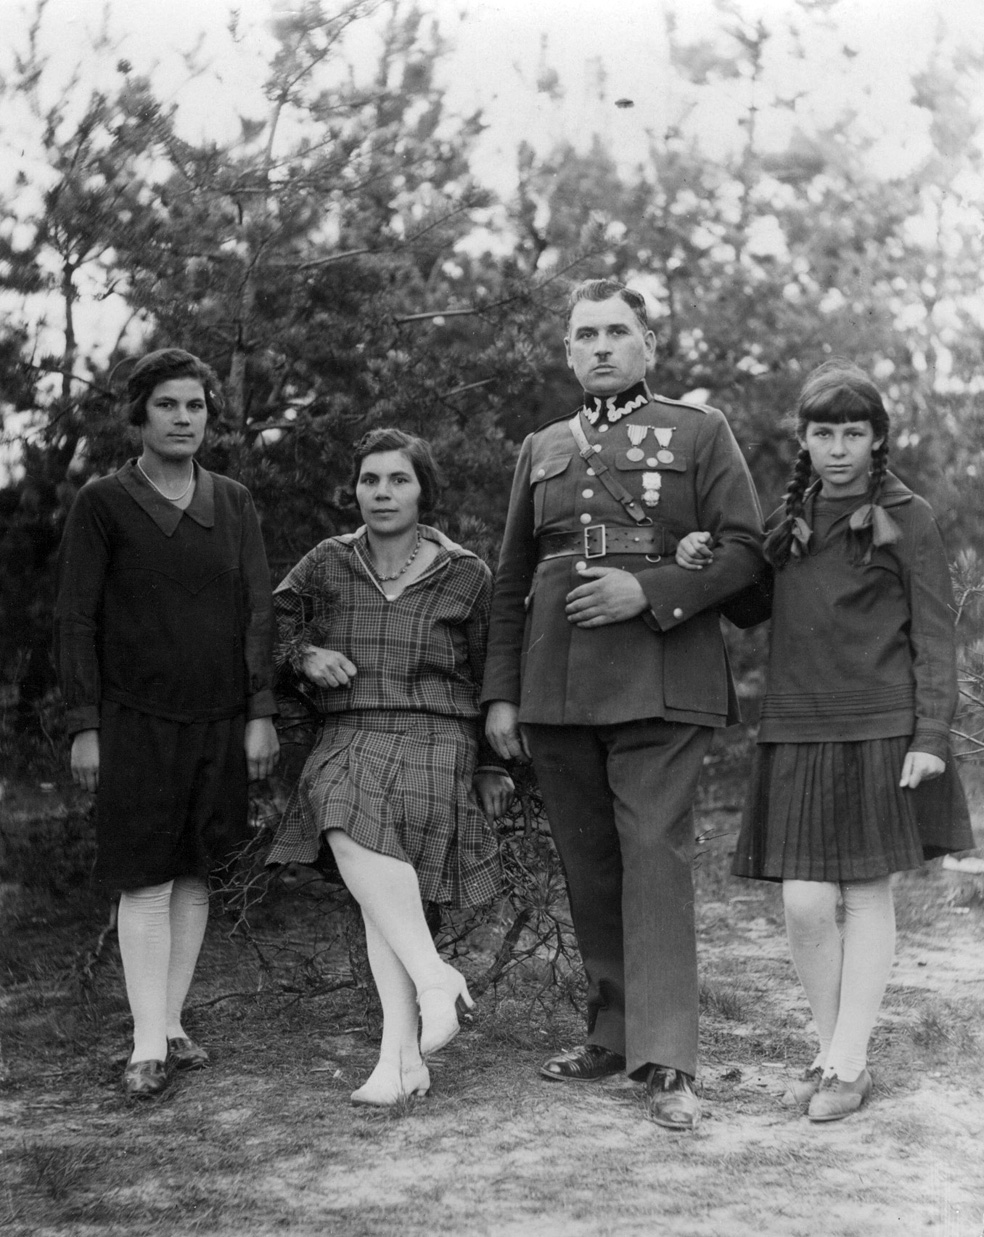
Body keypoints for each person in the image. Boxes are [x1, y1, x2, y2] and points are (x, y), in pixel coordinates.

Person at [482, 278, 763, 1129]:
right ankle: (613, 1031)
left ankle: (668, 1057)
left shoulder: (699, 430)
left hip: (662, 672)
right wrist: (502, 694)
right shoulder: (542, 446)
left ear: (649, 344)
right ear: (568, 351)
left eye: (616, 331)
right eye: (585, 334)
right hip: (558, 678)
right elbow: (512, 576)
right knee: (590, 859)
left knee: (653, 854)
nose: (601, 346)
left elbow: (746, 553)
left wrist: (649, 590)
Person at [677, 359, 974, 1122]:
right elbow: (751, 608)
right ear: (803, 440)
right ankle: (829, 1046)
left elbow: (935, 635)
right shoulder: (791, 520)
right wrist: (707, 560)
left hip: (881, 726)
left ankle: (845, 1062)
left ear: (877, 439)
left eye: (853, 433)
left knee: (866, 893)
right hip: (798, 725)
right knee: (805, 902)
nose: (838, 448)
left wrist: (930, 733)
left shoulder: (908, 515)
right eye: (823, 433)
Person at [54, 348, 280, 1098]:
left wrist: (260, 713)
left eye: (196, 406)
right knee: (145, 876)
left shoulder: (234, 502)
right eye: (167, 405)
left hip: (219, 720)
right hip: (134, 720)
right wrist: (84, 725)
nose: (184, 419)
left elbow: (258, 614)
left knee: (195, 872)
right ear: (138, 416)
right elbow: (75, 619)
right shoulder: (102, 503)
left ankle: (173, 1022)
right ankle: (146, 1043)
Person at [266, 428, 513, 1107]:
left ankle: (398, 1060)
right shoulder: (326, 562)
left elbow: (493, 672)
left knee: (385, 882)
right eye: (369, 479)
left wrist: (491, 765)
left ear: (423, 491)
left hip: (438, 733)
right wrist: (304, 655)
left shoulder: (465, 572)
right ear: (354, 490)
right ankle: (436, 978)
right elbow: (272, 629)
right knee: (339, 804)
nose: (382, 492)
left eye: (398, 479)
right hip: (350, 728)